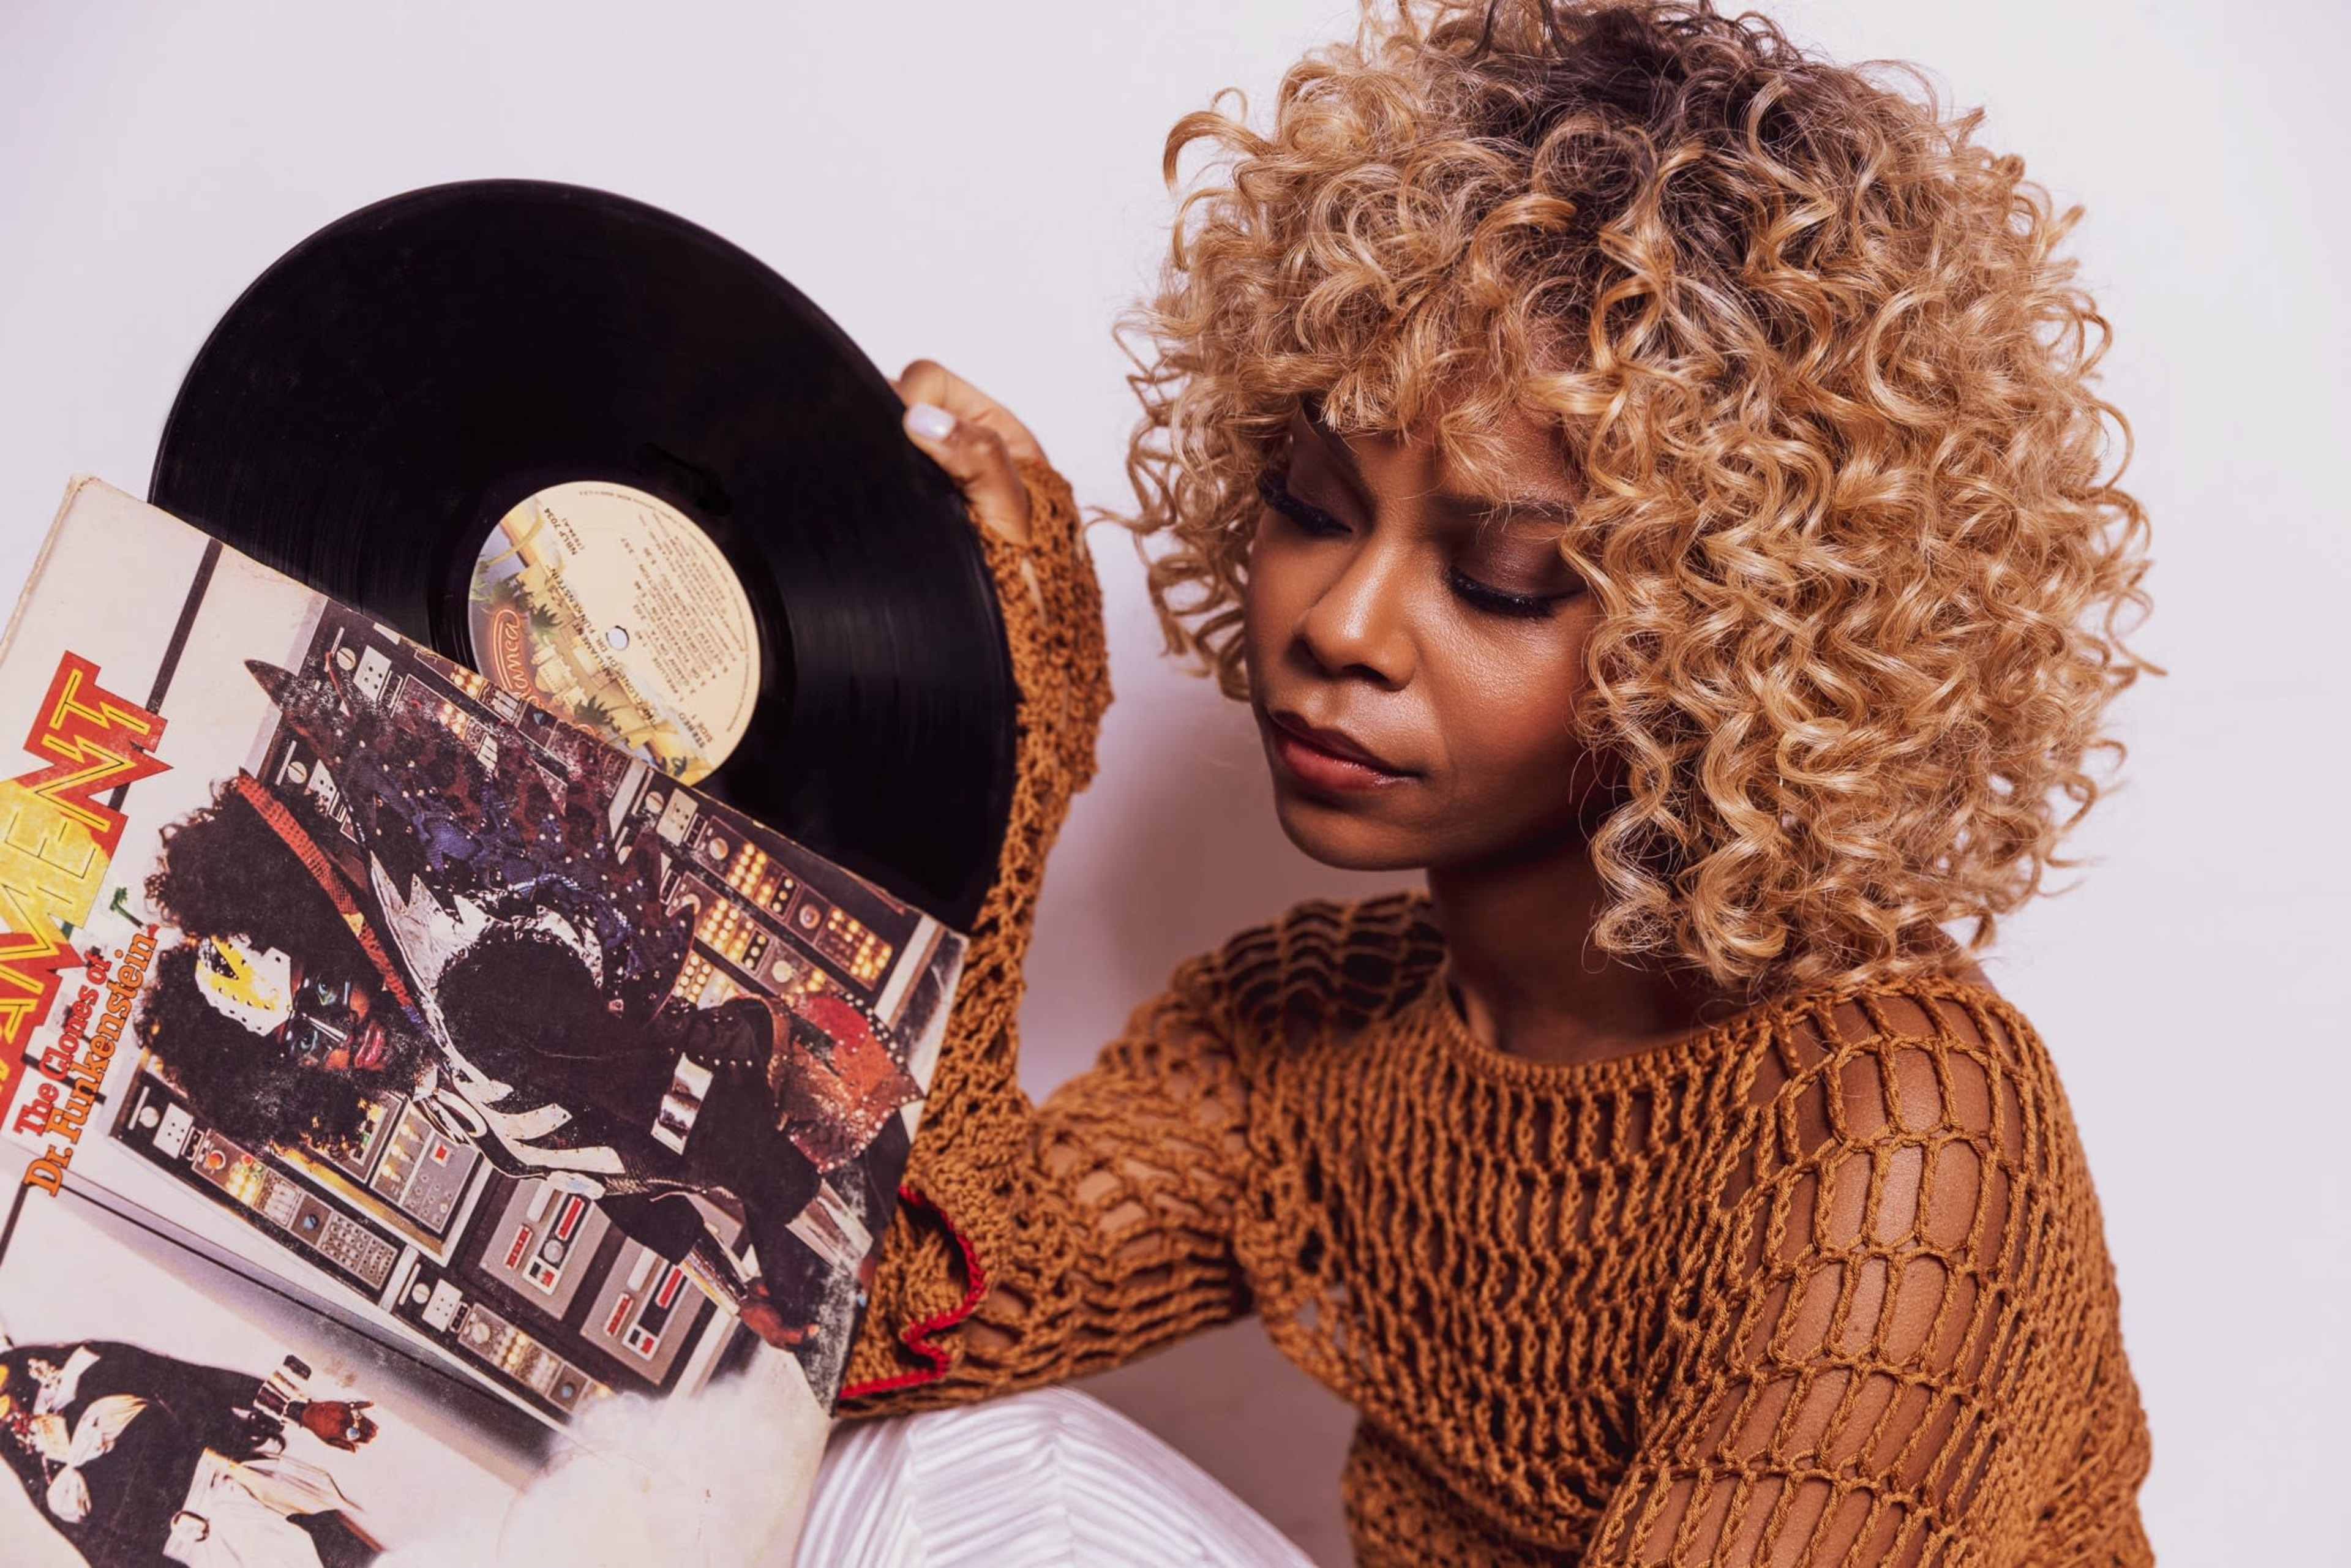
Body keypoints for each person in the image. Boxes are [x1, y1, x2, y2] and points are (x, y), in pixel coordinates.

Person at [828, 2, 2156, 1562]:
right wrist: (1001, 769)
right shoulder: (1320, 1022)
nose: (1337, 623)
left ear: (1733, 636)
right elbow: (882, 1341)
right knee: (921, 1465)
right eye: (1311, 503)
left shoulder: (1895, 1127)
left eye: (1504, 573)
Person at [133, 658, 919, 1357]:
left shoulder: (474, 1001)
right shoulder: (434, 1076)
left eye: (328, 995)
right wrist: (734, 1290)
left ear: (335, 943)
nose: (344, 1033)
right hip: (765, 1175)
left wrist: (855, 1253)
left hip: (802, 1116)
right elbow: (606, 1175)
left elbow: (682, 1111)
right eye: (307, 1038)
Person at [0, 1338, 379, 1566]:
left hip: (249, 1497)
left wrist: (299, 1411)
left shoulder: (85, 1366)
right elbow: (104, 1555)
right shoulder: (28, 1462)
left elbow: (196, 1380)